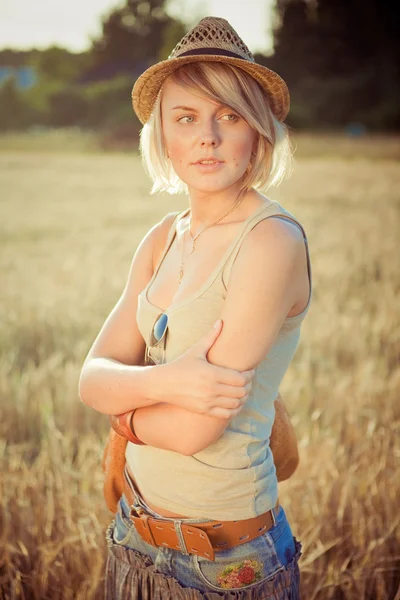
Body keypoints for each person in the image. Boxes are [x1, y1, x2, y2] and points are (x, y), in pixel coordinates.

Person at [79, 16, 312, 599]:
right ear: (163, 136)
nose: (207, 136)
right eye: (186, 118)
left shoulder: (271, 241)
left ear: (258, 133)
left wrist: (123, 409)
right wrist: (174, 379)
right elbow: (89, 378)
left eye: (229, 115)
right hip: (132, 533)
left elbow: (192, 431)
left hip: (226, 562)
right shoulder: (162, 237)